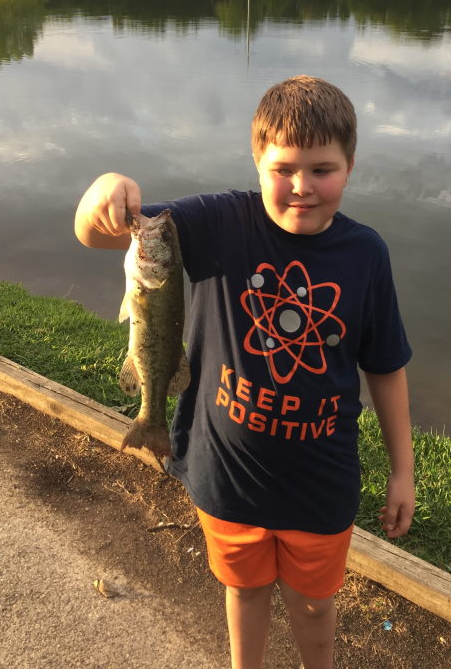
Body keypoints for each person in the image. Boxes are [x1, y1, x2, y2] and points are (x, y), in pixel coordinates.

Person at [74, 75, 415, 669]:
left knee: (313, 607)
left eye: (322, 169)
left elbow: (385, 367)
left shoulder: (367, 254)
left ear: (351, 165)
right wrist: (107, 188)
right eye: (283, 168)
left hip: (321, 481)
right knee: (244, 590)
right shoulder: (216, 224)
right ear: (257, 160)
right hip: (225, 475)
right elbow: (94, 232)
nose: (302, 187)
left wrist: (402, 471)